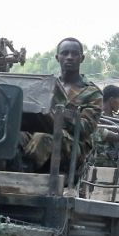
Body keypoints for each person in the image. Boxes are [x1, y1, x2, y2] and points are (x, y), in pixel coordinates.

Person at [20, 37, 102, 173]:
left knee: (43, 138)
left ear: (82, 58)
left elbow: (85, 128)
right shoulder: (46, 86)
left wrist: (58, 115)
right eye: (65, 53)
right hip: (42, 134)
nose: (69, 57)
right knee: (17, 136)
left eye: (74, 54)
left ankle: (22, 175)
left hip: (75, 146)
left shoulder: (92, 93)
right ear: (57, 57)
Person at [91, 83, 119, 169]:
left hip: (118, 164)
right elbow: (116, 137)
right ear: (112, 100)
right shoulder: (96, 117)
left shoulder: (118, 118)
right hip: (100, 165)